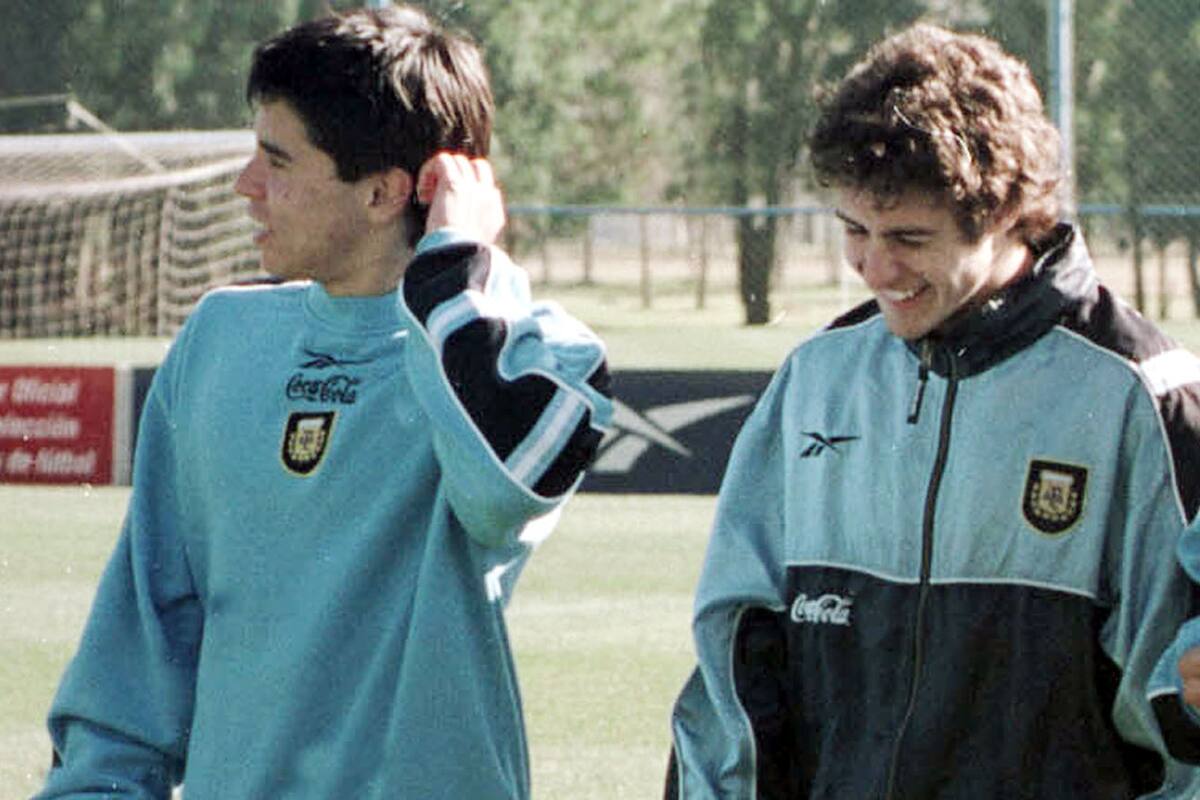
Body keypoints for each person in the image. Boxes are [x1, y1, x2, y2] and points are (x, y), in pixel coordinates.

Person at [37, 6, 611, 798]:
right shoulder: (220, 339)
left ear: (383, 192)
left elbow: (504, 490)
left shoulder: (537, 353)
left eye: (277, 160)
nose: (245, 186)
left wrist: (455, 268)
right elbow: (143, 635)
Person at [665, 22, 1200, 799]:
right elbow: (733, 671)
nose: (876, 267)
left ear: (1009, 212)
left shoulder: (1145, 398)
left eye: (910, 238)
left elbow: (1180, 719)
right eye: (855, 231)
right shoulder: (816, 379)